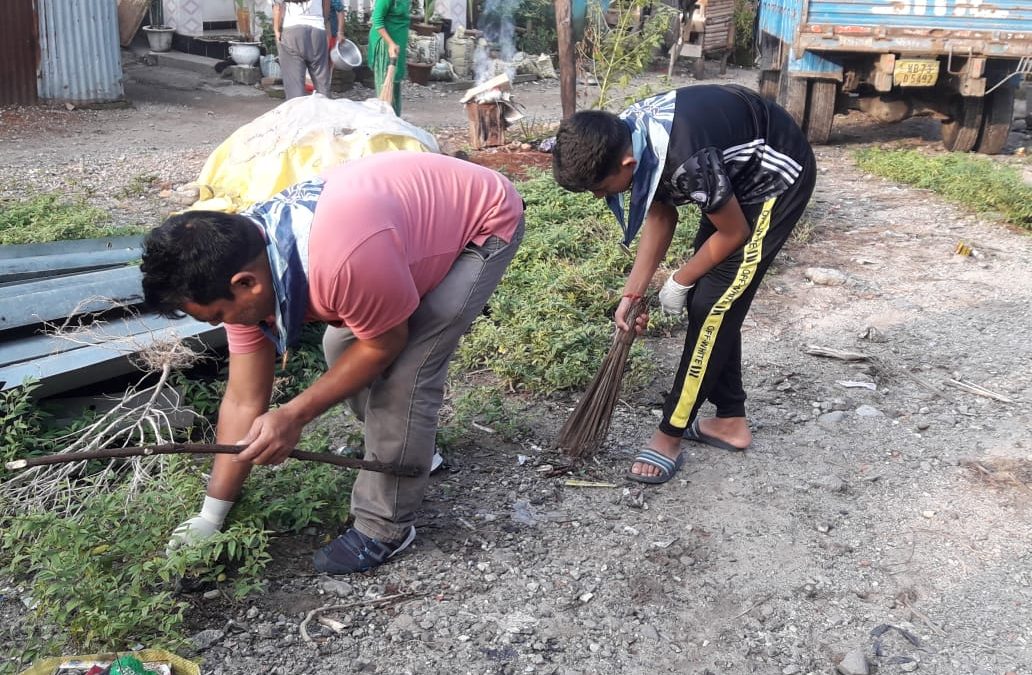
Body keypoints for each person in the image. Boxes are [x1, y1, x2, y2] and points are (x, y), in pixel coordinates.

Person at [145, 151, 525, 573]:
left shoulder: (340, 261)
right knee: (340, 350)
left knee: (404, 378)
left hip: (480, 221)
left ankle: (386, 526)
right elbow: (242, 400)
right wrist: (211, 517)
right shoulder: (240, 265)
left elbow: (385, 344)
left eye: (216, 316)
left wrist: (294, 415)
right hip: (397, 236)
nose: (221, 324)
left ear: (246, 285)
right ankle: (413, 448)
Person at [552, 84, 816, 484]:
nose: (598, 196)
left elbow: (734, 233)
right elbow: (661, 213)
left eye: (601, 188)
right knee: (712, 302)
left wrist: (678, 279)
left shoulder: (686, 159)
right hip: (730, 172)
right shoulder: (633, 135)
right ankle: (729, 420)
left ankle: (669, 434)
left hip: (773, 178)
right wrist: (633, 293)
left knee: (711, 305)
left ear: (625, 162)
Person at [273, 0, 342, 99]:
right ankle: (325, 110)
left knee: (295, 86)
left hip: (292, 31)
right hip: (317, 31)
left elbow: (278, 7)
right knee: (322, 82)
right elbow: (326, 4)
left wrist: (276, 29)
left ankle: (299, 112)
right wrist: (321, 22)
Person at [368, 0, 410, 116]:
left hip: (397, 41)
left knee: (395, 82)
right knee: (385, 83)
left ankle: (395, 118)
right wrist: (391, 43)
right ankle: (385, 119)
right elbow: (377, 21)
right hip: (385, 44)